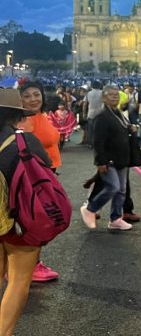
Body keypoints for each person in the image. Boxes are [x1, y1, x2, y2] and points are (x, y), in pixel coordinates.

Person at [0, 87, 52, 336]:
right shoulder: (25, 140)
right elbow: (47, 171)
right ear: (14, 115)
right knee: (19, 280)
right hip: (19, 220)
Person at [16, 82, 63, 283]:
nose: (34, 99)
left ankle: (30, 264)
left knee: (38, 220)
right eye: (27, 96)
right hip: (33, 177)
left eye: (37, 94)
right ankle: (29, 266)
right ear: (20, 100)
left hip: (46, 173)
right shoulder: (24, 121)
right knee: (35, 220)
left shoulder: (41, 116)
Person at [79, 85, 135, 231]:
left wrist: (130, 128)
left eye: (116, 94)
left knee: (121, 189)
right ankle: (90, 209)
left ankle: (116, 218)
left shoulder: (118, 113)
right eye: (111, 95)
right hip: (109, 159)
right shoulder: (101, 116)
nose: (115, 97)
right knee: (113, 186)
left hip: (121, 158)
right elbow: (98, 141)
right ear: (104, 97)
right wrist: (100, 161)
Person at [85, 81, 103, 148]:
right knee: (100, 130)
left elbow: (85, 103)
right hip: (100, 113)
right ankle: (99, 143)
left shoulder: (89, 93)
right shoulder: (102, 93)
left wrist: (84, 113)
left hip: (91, 113)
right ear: (99, 86)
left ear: (92, 86)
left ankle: (90, 144)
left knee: (91, 130)